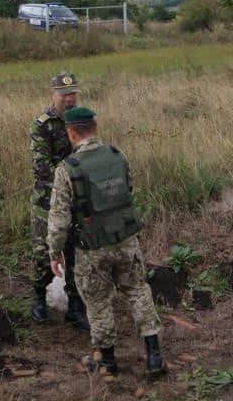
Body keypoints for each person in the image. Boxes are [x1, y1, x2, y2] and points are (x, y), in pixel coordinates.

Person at [47, 106, 165, 378]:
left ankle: (108, 362)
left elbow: (59, 219)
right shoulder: (117, 155)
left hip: (91, 248)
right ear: (95, 126)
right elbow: (128, 190)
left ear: (71, 133)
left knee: (98, 302)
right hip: (125, 239)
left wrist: (54, 253)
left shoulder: (67, 169)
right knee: (137, 290)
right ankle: (154, 356)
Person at [29, 71, 89, 329]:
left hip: (76, 201)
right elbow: (42, 168)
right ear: (52, 95)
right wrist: (72, 181)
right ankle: (39, 299)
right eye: (64, 94)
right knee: (43, 253)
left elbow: (91, 155)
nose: (69, 98)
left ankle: (75, 307)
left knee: (76, 253)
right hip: (48, 201)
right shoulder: (42, 124)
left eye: (73, 93)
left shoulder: (83, 121)